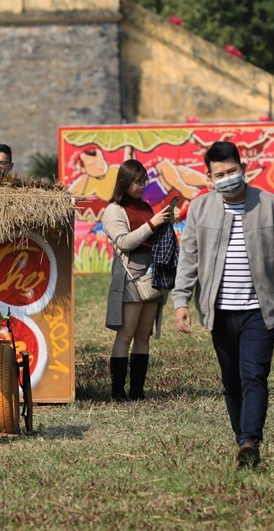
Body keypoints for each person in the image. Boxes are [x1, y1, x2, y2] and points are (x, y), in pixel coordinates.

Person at [171, 141, 274, 468]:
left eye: (232, 171)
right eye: (219, 174)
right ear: (210, 178)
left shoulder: (271, 206)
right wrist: (181, 301)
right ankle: (242, 442)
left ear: (243, 168)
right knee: (231, 382)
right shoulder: (200, 209)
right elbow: (188, 258)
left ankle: (250, 440)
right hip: (218, 312)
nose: (227, 178)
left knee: (254, 376)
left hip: (258, 311)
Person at [102, 159, 174, 401]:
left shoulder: (145, 205)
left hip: (153, 274)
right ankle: (117, 392)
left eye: (144, 181)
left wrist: (164, 223)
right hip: (130, 275)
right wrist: (153, 224)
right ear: (124, 181)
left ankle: (137, 391)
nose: (142, 185)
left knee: (144, 335)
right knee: (126, 334)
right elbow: (124, 242)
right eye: (137, 181)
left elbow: (151, 237)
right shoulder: (114, 209)